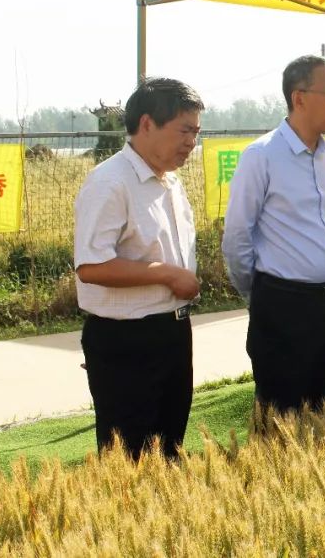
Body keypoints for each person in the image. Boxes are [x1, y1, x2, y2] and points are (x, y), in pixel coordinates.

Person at [75, 77, 204, 460]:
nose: (191, 142)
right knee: (129, 456)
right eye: (185, 130)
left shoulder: (170, 182)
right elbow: (92, 265)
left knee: (168, 449)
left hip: (172, 331)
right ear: (147, 124)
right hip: (127, 341)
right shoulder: (111, 182)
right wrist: (166, 274)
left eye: (196, 133)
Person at [222, 55, 325, 415]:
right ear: (299, 98)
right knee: (282, 415)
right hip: (283, 305)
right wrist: (262, 293)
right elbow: (236, 238)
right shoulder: (261, 156)